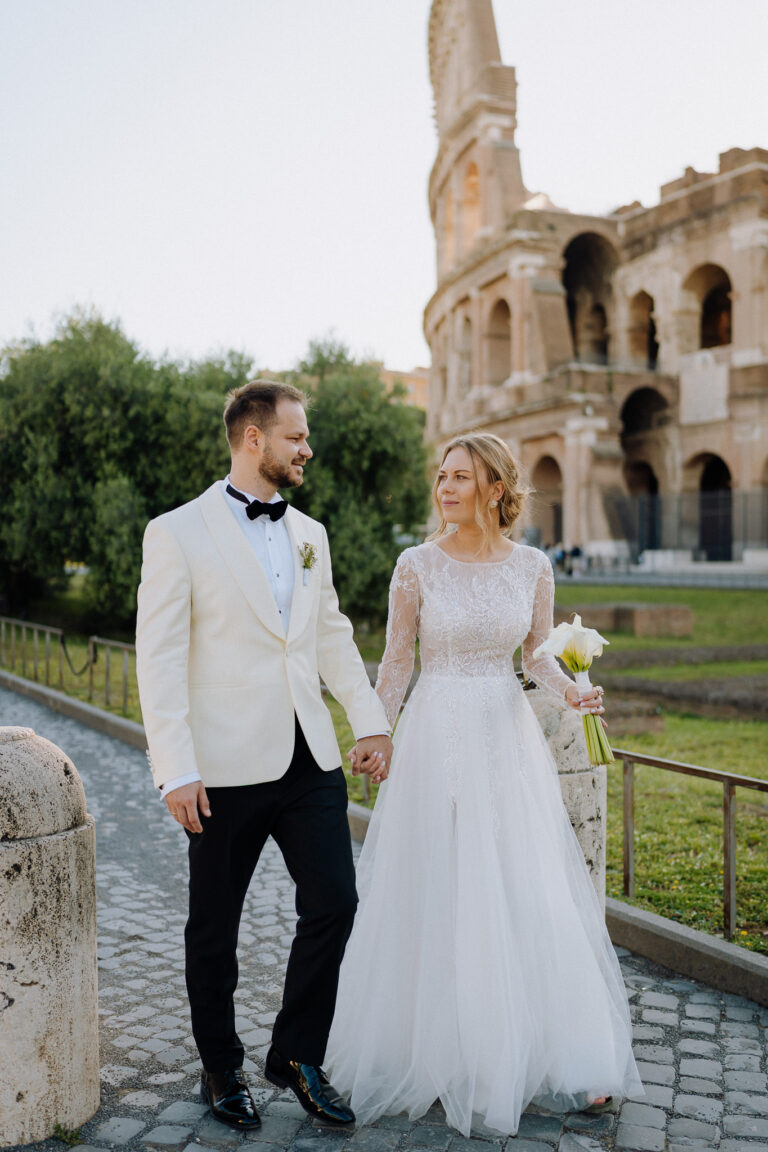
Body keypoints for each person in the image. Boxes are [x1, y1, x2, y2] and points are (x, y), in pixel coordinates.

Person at [326, 433, 642, 1136]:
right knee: (439, 884)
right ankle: (438, 1051)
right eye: (442, 475)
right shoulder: (415, 567)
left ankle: (558, 1052)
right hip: (436, 733)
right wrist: (376, 732)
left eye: (461, 477)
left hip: (505, 736)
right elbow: (396, 662)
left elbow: (535, 654)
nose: (445, 487)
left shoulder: (532, 566)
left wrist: (572, 693)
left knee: (520, 884)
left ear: (495, 489)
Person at [136, 380, 393, 1132]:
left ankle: (297, 1054)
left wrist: (368, 719)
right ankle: (221, 1064)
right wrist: (175, 766)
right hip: (219, 768)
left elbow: (331, 634)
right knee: (214, 924)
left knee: (336, 903)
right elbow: (159, 658)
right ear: (255, 439)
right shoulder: (176, 532)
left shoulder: (310, 531)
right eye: (296, 436)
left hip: (309, 757)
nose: (306, 448)